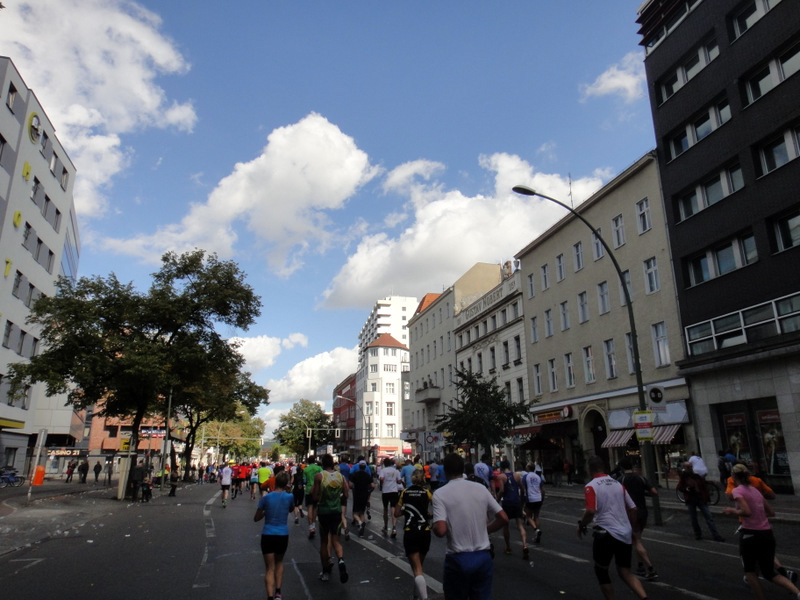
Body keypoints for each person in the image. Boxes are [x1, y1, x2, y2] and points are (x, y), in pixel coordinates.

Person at [432, 453, 508, 600]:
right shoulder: (480, 489)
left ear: (446, 471)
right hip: (483, 557)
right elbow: (503, 518)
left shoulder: (440, 494)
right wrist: (486, 530)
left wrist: (435, 526)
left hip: (458, 558)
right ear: (463, 470)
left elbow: (441, 530)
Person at [722, 464, 800, 600]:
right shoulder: (755, 490)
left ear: (733, 477)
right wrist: (759, 516)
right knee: (769, 573)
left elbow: (746, 511)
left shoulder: (737, 491)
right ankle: (798, 593)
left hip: (750, 534)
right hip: (766, 533)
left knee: (750, 572)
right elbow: (771, 512)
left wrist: (732, 510)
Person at [577, 456, 649, 600]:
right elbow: (633, 508)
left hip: (605, 533)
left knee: (601, 570)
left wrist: (582, 524)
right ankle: (644, 597)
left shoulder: (591, 486)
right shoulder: (618, 484)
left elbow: (590, 511)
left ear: (590, 470)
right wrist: (632, 528)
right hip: (624, 533)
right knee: (625, 571)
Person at [254, 470, 294, 600]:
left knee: (269, 568)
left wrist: (266, 512)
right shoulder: (289, 497)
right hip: (282, 535)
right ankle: (278, 592)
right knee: (279, 562)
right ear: (286, 483)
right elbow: (291, 509)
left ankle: (270, 596)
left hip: (268, 534)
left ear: (275, 482)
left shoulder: (266, 498)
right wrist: (289, 490)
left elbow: (256, 517)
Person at [617, 458, 658, 580]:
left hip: (631, 513)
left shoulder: (621, 479)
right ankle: (640, 566)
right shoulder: (641, 478)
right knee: (638, 538)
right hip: (643, 512)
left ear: (622, 468)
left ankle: (650, 568)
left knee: (637, 541)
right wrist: (642, 493)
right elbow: (654, 492)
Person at [395, 468, 433, 600]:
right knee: (419, 567)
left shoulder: (405, 492)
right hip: (425, 532)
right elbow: (435, 508)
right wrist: (428, 514)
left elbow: (396, 513)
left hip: (410, 532)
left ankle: (424, 597)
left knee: (416, 568)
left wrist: (406, 510)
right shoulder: (426, 492)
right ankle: (416, 594)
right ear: (422, 478)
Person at [312, 454, 349, 583]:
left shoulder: (319, 476)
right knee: (336, 541)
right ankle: (341, 560)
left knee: (324, 542)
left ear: (322, 463)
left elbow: (315, 497)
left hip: (323, 512)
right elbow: (346, 494)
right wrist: (337, 498)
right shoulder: (341, 476)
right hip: (336, 512)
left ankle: (325, 571)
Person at [677, 461, 724, 541]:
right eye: (688, 467)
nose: (690, 468)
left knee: (708, 517)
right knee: (694, 518)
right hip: (691, 499)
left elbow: (703, 487)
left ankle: (715, 535)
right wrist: (686, 489)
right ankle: (698, 534)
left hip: (700, 498)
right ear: (685, 468)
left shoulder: (696, 476)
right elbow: (680, 487)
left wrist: (707, 498)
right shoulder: (684, 477)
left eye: (691, 467)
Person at [497, 460, 528, 559]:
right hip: (516, 501)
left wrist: (497, 500)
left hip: (507, 503)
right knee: (520, 524)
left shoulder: (501, 477)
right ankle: (524, 545)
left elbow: (501, 490)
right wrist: (522, 499)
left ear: (501, 468)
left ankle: (508, 547)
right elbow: (522, 489)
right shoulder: (517, 476)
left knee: (505, 525)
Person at [350, 460, 375, 536]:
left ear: (359, 466)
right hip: (365, 495)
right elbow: (373, 485)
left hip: (357, 494)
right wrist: (369, 491)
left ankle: (360, 523)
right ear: (365, 467)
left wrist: (353, 488)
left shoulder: (355, 475)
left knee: (355, 513)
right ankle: (362, 525)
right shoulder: (368, 476)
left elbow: (350, 485)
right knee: (362, 512)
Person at [380, 457, 403, 538]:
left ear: (384, 464)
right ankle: (394, 527)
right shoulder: (396, 471)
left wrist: (384, 482)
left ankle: (385, 526)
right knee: (393, 508)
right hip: (394, 491)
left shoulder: (383, 470)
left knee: (385, 508)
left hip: (385, 491)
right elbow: (399, 481)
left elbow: (381, 479)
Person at [522, 462, 545, 545]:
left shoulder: (526, 476)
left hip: (530, 498)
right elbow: (543, 490)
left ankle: (536, 529)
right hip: (538, 498)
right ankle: (537, 535)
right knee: (536, 516)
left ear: (528, 468)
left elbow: (523, 488)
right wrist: (542, 498)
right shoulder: (538, 477)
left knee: (528, 516)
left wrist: (522, 499)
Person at [303, 456, 322, 539]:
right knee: (315, 508)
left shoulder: (306, 470)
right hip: (317, 491)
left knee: (309, 508)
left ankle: (311, 527)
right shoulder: (319, 468)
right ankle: (314, 525)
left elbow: (304, 481)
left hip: (308, 490)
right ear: (315, 460)